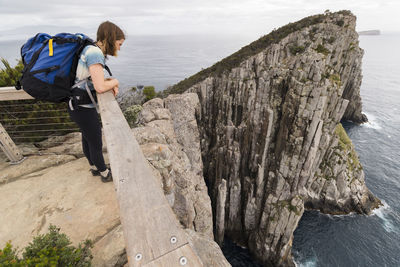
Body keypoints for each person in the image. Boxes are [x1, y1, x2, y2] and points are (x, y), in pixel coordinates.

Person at [67, 21, 125, 182]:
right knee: (95, 142)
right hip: (83, 106)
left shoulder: (90, 49)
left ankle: (93, 166)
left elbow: (90, 80)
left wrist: (109, 81)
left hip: (77, 104)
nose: (120, 48)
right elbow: (99, 87)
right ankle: (104, 172)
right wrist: (115, 82)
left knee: (87, 138)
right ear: (112, 39)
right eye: (119, 44)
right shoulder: (95, 53)